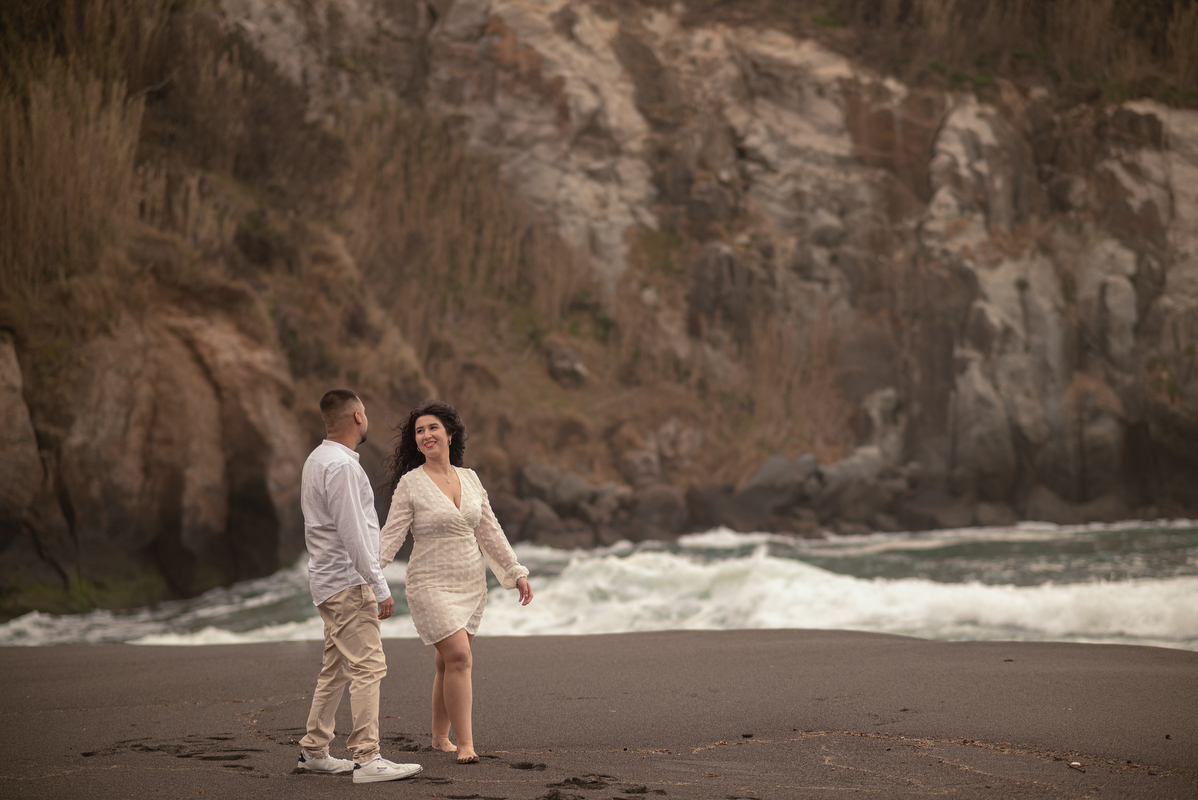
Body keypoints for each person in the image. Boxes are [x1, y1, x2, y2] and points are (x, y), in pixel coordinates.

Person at [380, 399, 533, 765]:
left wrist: (516, 572)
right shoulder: (411, 484)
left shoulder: (471, 478)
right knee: (461, 657)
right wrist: (369, 578)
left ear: (449, 434)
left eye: (432, 427)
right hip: (429, 582)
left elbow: (490, 531)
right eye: (419, 431)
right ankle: (466, 744)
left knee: (447, 663)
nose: (426, 435)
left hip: (470, 581)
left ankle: (438, 737)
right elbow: (391, 537)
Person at [296, 389, 423, 783]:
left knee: (336, 668)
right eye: (364, 412)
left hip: (328, 580)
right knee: (369, 666)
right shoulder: (342, 467)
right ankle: (367, 760)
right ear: (356, 417)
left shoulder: (317, 459)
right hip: (348, 583)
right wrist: (379, 586)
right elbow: (353, 534)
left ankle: (314, 750)